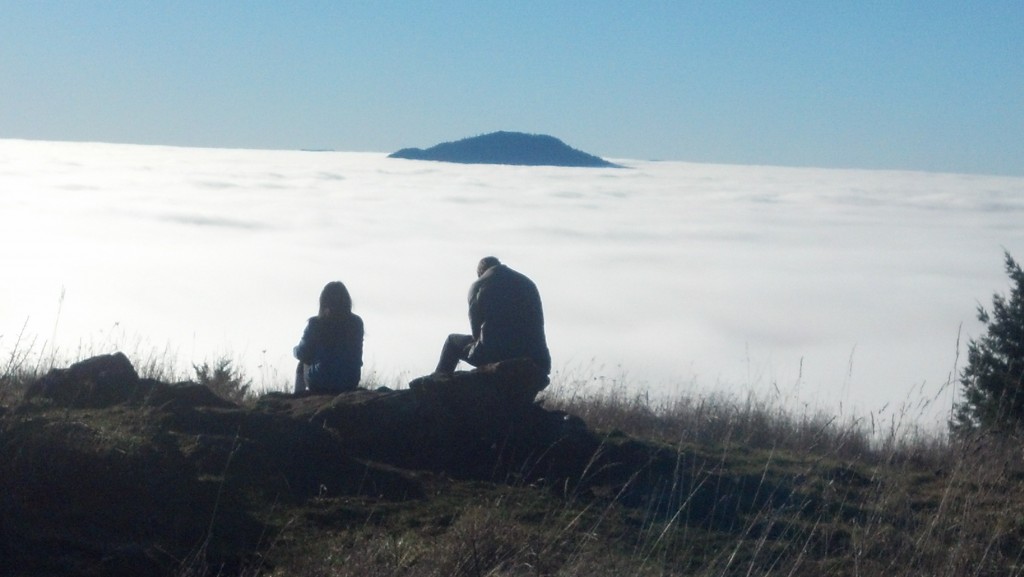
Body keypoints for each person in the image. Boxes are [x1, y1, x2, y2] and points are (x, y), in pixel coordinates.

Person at [435, 256, 551, 374]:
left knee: (452, 341)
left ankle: (436, 384)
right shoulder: (528, 283)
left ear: (481, 272)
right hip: (536, 357)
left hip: (494, 354)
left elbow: (476, 330)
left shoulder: (478, 285)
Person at [294, 281, 364, 394]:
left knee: (302, 363)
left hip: (321, 382)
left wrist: (294, 350)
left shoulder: (316, 323)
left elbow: (302, 352)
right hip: (350, 381)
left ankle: (297, 398)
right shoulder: (356, 323)